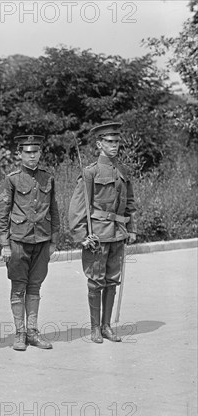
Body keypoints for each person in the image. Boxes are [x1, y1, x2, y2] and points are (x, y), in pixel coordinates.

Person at [68, 122, 137, 343]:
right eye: (109, 141)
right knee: (95, 281)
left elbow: (130, 203)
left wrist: (132, 228)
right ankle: (95, 328)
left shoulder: (123, 171)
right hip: (97, 236)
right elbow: (78, 207)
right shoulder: (90, 172)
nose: (114, 145)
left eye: (117, 141)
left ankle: (107, 326)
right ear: (99, 144)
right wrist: (81, 236)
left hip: (118, 234)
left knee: (112, 280)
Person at [0, 135, 60, 351]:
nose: (32, 156)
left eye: (36, 152)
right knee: (18, 287)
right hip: (18, 241)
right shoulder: (12, 179)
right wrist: (4, 244)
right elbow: (3, 213)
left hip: (42, 239)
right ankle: (20, 333)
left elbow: (53, 209)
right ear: (20, 154)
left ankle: (33, 331)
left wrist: (53, 240)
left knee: (35, 286)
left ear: (40, 153)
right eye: (28, 153)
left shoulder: (48, 178)